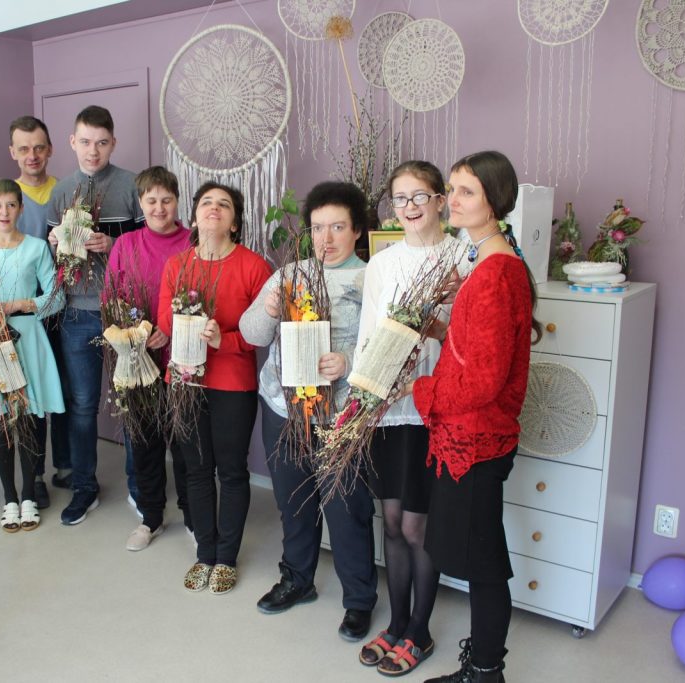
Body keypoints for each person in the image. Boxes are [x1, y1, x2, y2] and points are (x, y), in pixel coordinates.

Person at [404, 151, 542, 683]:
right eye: (452, 189)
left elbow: (483, 382)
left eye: (466, 191)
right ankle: (484, 665)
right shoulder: (492, 262)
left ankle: (485, 671)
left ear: (495, 200)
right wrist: (443, 332)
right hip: (476, 436)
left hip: (476, 438)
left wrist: (421, 389)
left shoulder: (494, 273)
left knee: (483, 564)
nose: (452, 200)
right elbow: (482, 352)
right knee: (481, 556)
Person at [239, 181, 376, 640]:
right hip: (284, 409)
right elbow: (252, 334)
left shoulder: (372, 280)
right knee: (292, 501)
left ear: (357, 230)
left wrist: (349, 362)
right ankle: (297, 580)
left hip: (341, 415)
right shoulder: (289, 275)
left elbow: (389, 346)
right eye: (318, 228)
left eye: (337, 227)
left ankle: (359, 600)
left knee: (346, 508)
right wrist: (268, 310)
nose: (326, 238)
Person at [355, 161, 471, 675]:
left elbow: (470, 344)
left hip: (433, 408)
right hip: (389, 409)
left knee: (417, 524)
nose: (409, 207)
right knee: (392, 521)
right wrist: (364, 401)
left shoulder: (464, 258)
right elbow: (368, 335)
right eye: (399, 198)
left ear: (441, 200)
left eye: (419, 196)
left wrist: (436, 326)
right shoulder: (382, 263)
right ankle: (397, 622)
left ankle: (420, 631)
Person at [157, 182, 272, 595]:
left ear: (234, 222)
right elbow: (164, 322)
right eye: (207, 202)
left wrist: (225, 340)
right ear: (194, 217)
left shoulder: (253, 267)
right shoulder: (177, 265)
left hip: (232, 383)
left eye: (224, 204)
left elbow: (263, 333)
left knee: (232, 470)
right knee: (197, 469)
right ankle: (204, 553)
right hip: (185, 381)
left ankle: (226, 557)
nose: (214, 208)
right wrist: (187, 322)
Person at [46, 105, 144, 526]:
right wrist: (55, 242)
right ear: (72, 142)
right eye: (85, 142)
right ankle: (84, 486)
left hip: (124, 312)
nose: (93, 150)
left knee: (133, 400)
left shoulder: (132, 186)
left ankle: (141, 486)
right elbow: (50, 257)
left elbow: (148, 243)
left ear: (113, 143)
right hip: (77, 312)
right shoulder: (60, 191)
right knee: (82, 404)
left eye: (102, 142)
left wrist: (113, 244)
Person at [0, 179, 65, 532]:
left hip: (28, 339)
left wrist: (18, 304)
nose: (4, 212)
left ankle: (29, 495)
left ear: (21, 208)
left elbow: (56, 297)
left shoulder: (36, 247)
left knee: (31, 418)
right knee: (2, 421)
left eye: (11, 205)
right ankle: (9, 498)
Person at [0, 115, 70, 510]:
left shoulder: (65, 192)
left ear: (50, 149)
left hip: (60, 308)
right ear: (12, 152)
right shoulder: (5, 198)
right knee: (24, 395)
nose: (32, 155)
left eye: (38, 147)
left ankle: (63, 465)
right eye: (23, 149)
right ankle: (32, 476)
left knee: (58, 389)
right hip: (18, 321)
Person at [106, 166, 192, 551]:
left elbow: (203, 296)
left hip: (183, 361)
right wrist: (136, 330)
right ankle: (151, 517)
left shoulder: (192, 243)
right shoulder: (126, 245)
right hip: (137, 362)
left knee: (186, 443)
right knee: (144, 443)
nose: (159, 208)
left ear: (177, 201)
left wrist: (168, 329)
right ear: (140, 203)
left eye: (166, 200)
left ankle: (193, 515)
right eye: (151, 200)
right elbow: (112, 300)